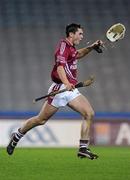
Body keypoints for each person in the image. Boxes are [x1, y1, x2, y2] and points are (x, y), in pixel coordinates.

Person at [7, 23, 103, 160]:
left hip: (70, 89)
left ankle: (83, 149)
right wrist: (66, 83)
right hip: (60, 88)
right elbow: (60, 67)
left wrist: (92, 47)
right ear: (71, 34)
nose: (82, 36)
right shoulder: (63, 46)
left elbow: (79, 54)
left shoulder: (71, 48)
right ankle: (17, 135)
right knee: (40, 120)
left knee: (89, 113)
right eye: (80, 33)